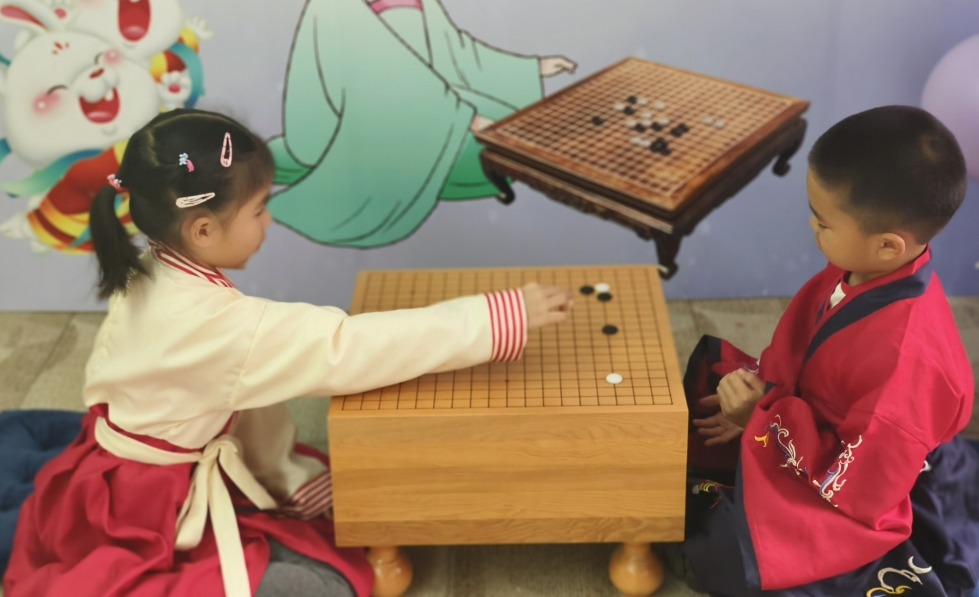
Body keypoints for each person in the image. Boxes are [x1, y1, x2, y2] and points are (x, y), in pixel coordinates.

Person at [2, 108, 573, 597]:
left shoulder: (150, 266)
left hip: (104, 474)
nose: (269, 222)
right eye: (258, 211)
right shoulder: (219, 326)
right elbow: (349, 348)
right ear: (203, 230)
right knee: (322, 584)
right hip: (146, 510)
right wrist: (497, 317)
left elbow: (223, 379)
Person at [679, 105, 979, 596]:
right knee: (701, 397)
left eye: (823, 223)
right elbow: (800, 348)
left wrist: (762, 417)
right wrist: (760, 400)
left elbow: (861, 489)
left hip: (864, 474)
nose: (812, 228)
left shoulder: (905, 362)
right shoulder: (872, 268)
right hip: (814, 423)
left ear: (888, 246)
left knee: (726, 554)